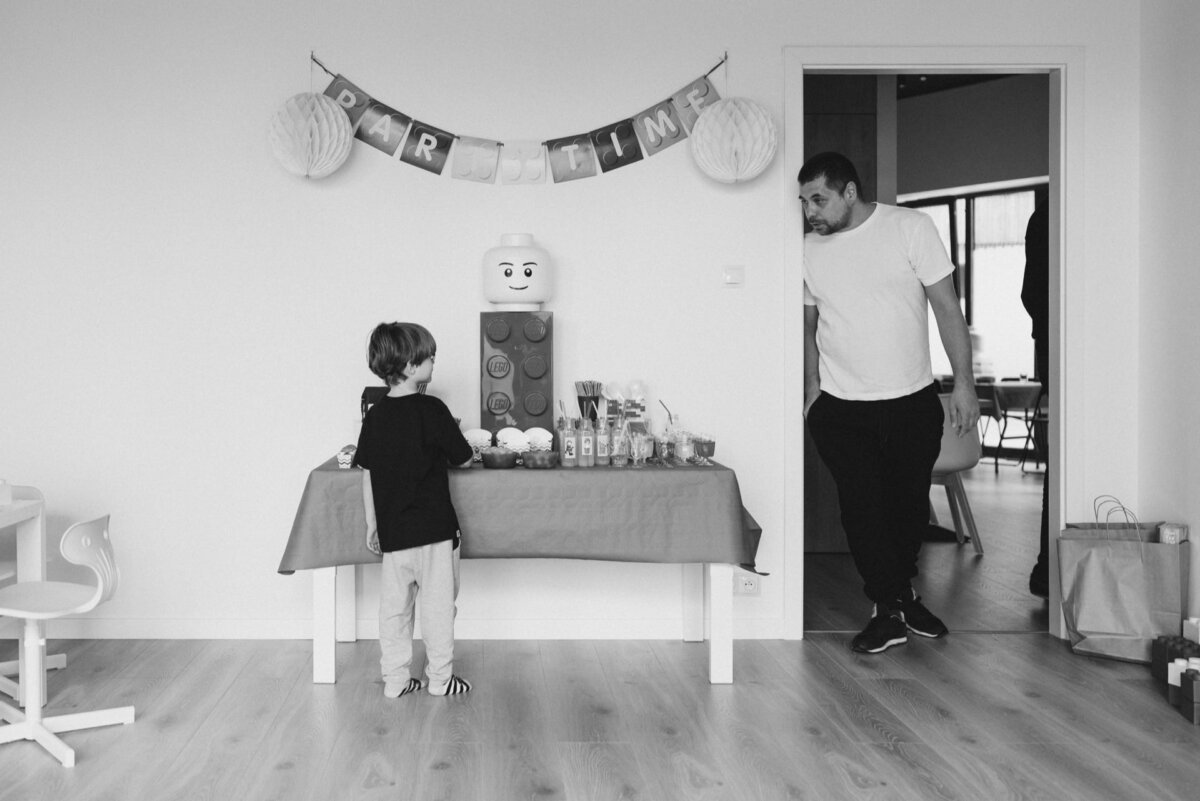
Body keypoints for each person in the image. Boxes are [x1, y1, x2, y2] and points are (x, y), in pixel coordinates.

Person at [799, 152, 980, 654]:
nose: (810, 211)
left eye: (819, 199)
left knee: (905, 512)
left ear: (849, 192)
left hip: (912, 400)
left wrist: (964, 384)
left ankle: (896, 601)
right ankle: (890, 608)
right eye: (804, 201)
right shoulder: (809, 248)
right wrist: (812, 390)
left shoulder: (910, 228)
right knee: (862, 513)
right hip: (840, 406)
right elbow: (808, 323)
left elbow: (947, 308)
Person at [356, 322, 475, 697]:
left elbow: (367, 474)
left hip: (394, 535)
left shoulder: (374, 416)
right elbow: (465, 458)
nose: (434, 361)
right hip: (436, 532)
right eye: (428, 356)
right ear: (409, 364)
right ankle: (440, 680)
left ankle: (395, 680)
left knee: (394, 611)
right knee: (438, 610)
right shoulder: (433, 409)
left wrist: (372, 525)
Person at [1021, 197, 1050, 598]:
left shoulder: (1043, 217)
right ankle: (1048, 570)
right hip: (1058, 342)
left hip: (1051, 343)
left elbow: (1031, 294)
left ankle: (1047, 570)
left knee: (1057, 461)